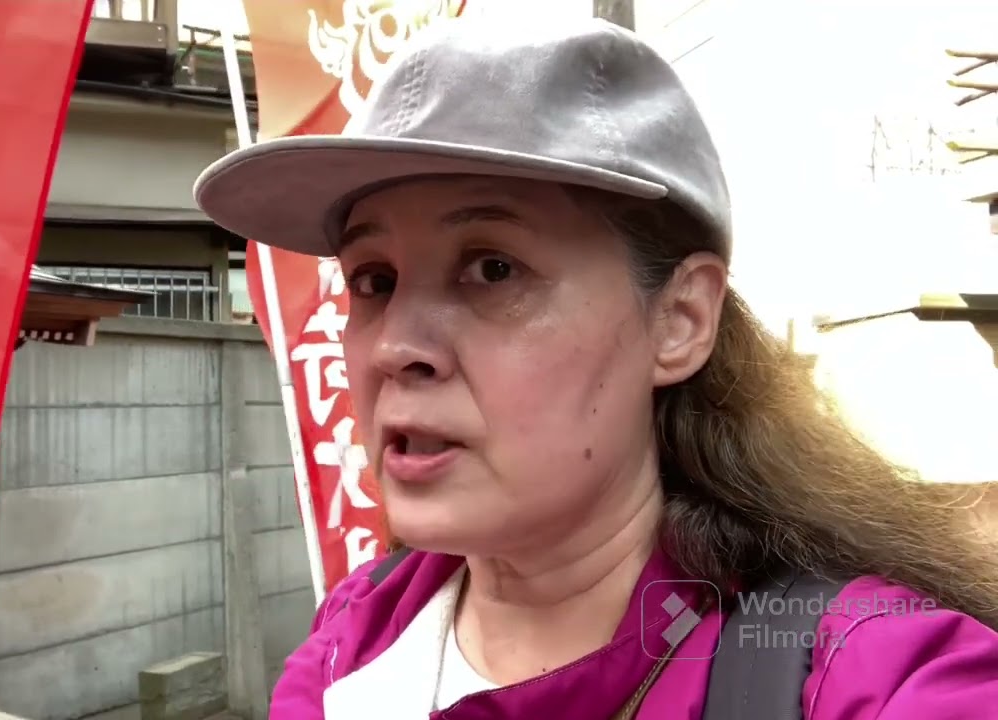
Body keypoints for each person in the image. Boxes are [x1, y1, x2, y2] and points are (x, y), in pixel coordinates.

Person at [193, 10, 998, 720]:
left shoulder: (858, 671)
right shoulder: (351, 645)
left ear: (680, 321)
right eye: (374, 280)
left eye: (493, 268)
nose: (398, 346)